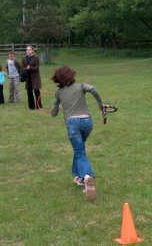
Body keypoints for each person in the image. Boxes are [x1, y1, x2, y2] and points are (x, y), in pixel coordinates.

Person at [51, 66, 104, 202]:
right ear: (71, 75)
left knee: (80, 153)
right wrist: (100, 104)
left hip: (72, 124)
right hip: (87, 122)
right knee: (79, 150)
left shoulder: (58, 92)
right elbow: (92, 89)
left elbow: (54, 112)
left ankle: (87, 176)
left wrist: (54, 112)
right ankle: (80, 178)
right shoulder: (81, 86)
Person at [22, 45, 42, 110]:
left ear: (32, 50)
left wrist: (30, 68)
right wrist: (26, 69)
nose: (28, 51)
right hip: (28, 78)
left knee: (36, 92)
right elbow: (23, 68)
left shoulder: (36, 57)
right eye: (27, 50)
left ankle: (39, 106)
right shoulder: (24, 58)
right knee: (29, 92)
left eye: (29, 50)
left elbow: (37, 68)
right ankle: (31, 106)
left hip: (35, 77)